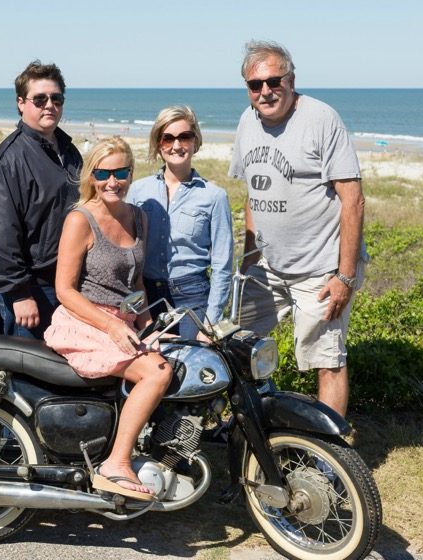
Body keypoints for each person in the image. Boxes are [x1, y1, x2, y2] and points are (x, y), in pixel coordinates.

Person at [229, 40, 366, 417]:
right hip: (267, 269)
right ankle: (261, 423)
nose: (265, 91)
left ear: (291, 79)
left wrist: (345, 276)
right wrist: (249, 260)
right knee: (237, 343)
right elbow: (253, 194)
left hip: (321, 269)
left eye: (274, 81)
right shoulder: (247, 121)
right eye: (255, 85)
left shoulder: (321, 119)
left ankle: (328, 459)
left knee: (328, 360)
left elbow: (353, 200)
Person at [44, 137, 172, 500]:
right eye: (103, 173)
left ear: (131, 174)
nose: (112, 181)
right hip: (85, 321)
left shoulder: (139, 217)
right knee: (156, 372)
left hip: (126, 321)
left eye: (120, 172)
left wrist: (149, 325)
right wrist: (113, 325)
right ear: (91, 176)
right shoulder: (80, 219)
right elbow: (65, 290)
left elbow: (136, 285)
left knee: (179, 361)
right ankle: (116, 463)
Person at [0, 61, 83, 339]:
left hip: (68, 284)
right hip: (33, 289)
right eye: (39, 99)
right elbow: (0, 235)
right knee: (28, 378)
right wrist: (19, 293)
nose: (49, 105)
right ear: (21, 103)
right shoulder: (9, 160)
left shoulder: (69, 152)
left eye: (56, 98)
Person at [128, 106, 233, 340]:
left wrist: (211, 321)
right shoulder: (138, 191)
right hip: (145, 297)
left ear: (195, 141)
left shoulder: (214, 196)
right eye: (168, 138)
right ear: (158, 144)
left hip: (192, 298)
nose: (177, 146)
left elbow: (222, 266)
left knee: (189, 368)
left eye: (184, 137)